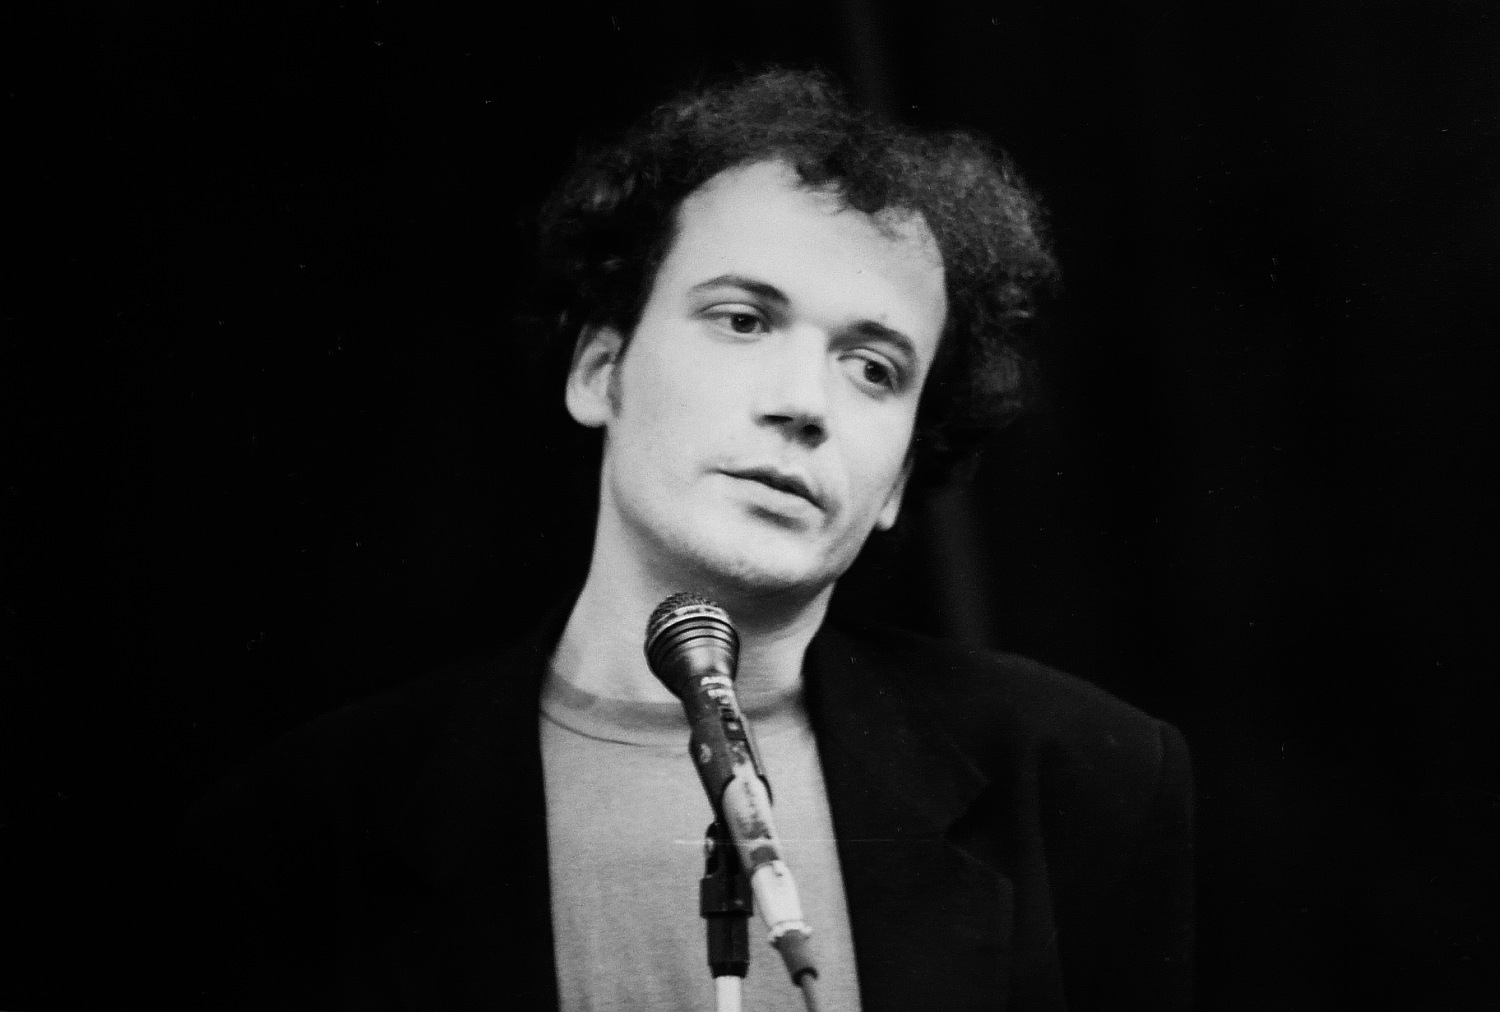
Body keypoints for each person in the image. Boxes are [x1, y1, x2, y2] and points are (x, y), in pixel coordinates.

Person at [180, 68, 1193, 1010]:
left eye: (873, 369)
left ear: (898, 480)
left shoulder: (1083, 780)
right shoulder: (304, 828)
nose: (804, 403)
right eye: (744, 320)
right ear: (600, 371)